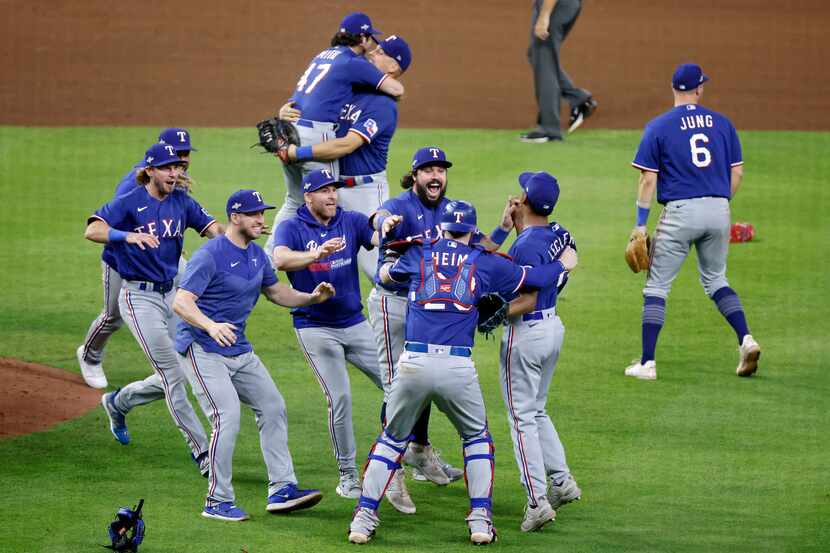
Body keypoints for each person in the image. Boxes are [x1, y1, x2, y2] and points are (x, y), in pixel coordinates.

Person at [348, 200, 577, 544]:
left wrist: (391, 249)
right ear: (471, 232)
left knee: (392, 440)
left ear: (441, 229)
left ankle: (363, 520)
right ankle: (481, 522)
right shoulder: (484, 263)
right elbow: (537, 278)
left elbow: (384, 276)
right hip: (457, 367)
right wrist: (564, 264)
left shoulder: (417, 254)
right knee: (476, 440)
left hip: (414, 364)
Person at [173, 189, 331, 521]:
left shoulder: (258, 256)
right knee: (226, 416)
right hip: (202, 348)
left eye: (263, 213)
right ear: (235, 218)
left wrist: (312, 298)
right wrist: (210, 325)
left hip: (239, 349)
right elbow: (182, 302)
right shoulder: (210, 255)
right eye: (255, 214)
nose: (262, 219)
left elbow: (277, 292)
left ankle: (282, 489)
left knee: (273, 407)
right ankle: (216, 501)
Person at [85, 142, 219, 474]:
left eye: (179, 167)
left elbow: (213, 229)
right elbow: (93, 229)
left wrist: (238, 234)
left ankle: (118, 402)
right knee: (174, 375)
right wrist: (125, 236)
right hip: (138, 299)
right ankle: (202, 452)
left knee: (184, 371)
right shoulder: (131, 200)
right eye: (169, 168)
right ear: (151, 170)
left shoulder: (181, 202)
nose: (176, 172)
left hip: (173, 295)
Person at [624, 63, 761, 380]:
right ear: (699, 89)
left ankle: (647, 363)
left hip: (680, 213)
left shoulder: (658, 126)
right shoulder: (723, 124)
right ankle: (746, 339)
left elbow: (648, 179)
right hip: (719, 208)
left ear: (673, 88)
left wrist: (641, 224)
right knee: (716, 280)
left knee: (657, 287)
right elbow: (736, 172)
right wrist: (717, 207)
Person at [271, 169, 396, 504]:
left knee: (398, 387)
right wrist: (316, 255)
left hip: (355, 323)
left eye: (334, 190)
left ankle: (406, 456)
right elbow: (279, 258)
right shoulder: (292, 226)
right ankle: (348, 476)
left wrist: (387, 224)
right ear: (308, 195)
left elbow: (378, 234)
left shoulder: (349, 220)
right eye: (324, 191)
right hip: (315, 327)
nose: (332, 196)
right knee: (340, 398)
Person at [264, 12, 405, 257]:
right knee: (309, 206)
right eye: (372, 44)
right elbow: (397, 89)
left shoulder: (327, 59)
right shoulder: (354, 70)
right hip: (323, 157)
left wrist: (296, 147)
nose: (372, 51)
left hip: (362, 189)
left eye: (381, 52)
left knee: (297, 202)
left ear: (394, 66)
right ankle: (281, 262)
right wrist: (288, 117)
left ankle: (270, 260)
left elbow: (344, 139)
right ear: (361, 38)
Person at [77, 128, 197, 389]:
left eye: (185, 154)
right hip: (123, 259)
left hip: (160, 255)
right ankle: (90, 355)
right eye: (178, 154)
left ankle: (188, 357)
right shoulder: (135, 184)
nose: (183, 160)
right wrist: (130, 241)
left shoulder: (175, 177)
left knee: (188, 292)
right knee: (113, 316)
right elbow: (110, 225)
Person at [498, 171, 581, 532]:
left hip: (526, 334)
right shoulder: (559, 233)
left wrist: (485, 315)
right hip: (553, 329)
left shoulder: (525, 247)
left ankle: (537, 501)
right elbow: (544, 263)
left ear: (527, 201)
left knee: (521, 419)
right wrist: (514, 227)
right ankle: (563, 482)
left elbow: (525, 298)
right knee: (537, 409)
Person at [521, 0, 597, 143]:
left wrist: (544, 15)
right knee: (538, 56)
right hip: (562, 5)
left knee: (544, 57)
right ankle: (579, 98)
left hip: (555, 5)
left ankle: (549, 129)